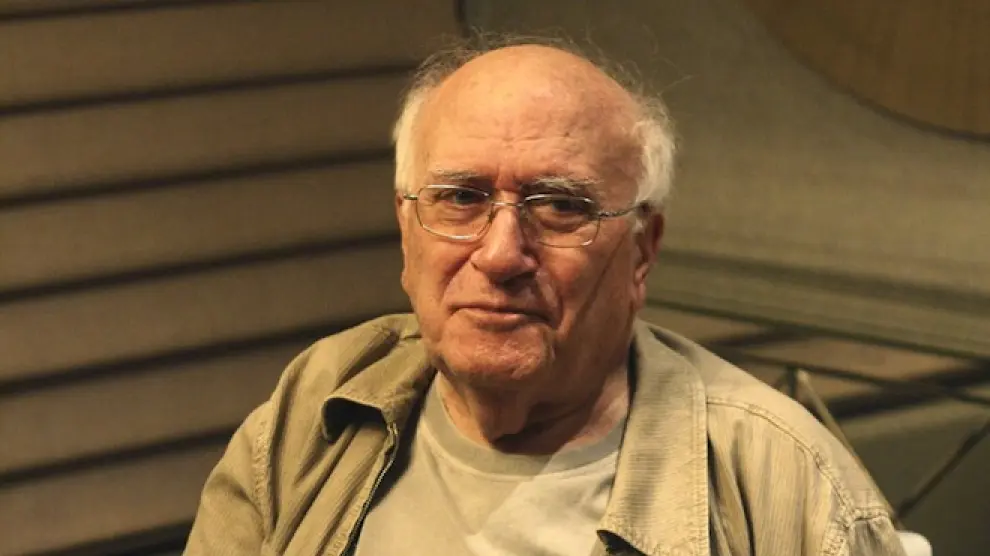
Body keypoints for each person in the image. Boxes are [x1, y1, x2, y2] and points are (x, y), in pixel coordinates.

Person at [184, 38, 906, 556]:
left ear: (642, 251)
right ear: (407, 232)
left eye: (560, 206)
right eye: (461, 198)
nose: (501, 254)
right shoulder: (318, 409)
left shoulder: (786, 490)